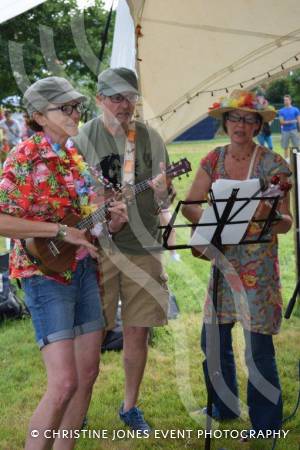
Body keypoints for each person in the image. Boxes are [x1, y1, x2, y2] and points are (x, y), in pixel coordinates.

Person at [0, 76, 127, 450]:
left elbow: (92, 218)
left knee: (87, 374)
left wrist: (113, 218)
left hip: (85, 269)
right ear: (39, 116)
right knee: (64, 383)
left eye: (76, 107)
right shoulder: (22, 158)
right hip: (43, 276)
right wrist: (57, 230)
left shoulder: (75, 157)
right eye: (65, 108)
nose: (75, 113)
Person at [182, 90, 292, 439]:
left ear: (258, 124)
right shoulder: (213, 159)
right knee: (212, 338)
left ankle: (265, 425)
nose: (240, 125)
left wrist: (265, 217)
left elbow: (287, 220)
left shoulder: (274, 165)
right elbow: (189, 206)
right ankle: (223, 405)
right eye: (234, 118)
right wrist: (214, 221)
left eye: (248, 119)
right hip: (223, 260)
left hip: (258, 268)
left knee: (257, 347)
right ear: (224, 122)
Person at [73, 67, 174, 431]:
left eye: (130, 97)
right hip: (97, 248)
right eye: (116, 97)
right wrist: (100, 206)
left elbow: (164, 197)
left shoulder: (148, 137)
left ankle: (130, 406)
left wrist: (163, 191)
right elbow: (72, 196)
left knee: (138, 328)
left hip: (143, 245)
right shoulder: (83, 138)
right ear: (99, 99)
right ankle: (77, 408)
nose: (124, 104)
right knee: (92, 332)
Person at [278, 94, 300, 159]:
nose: (285, 101)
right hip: (285, 131)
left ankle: (296, 160)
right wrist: (291, 121)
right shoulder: (281, 111)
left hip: (294, 130)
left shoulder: (296, 110)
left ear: (290, 101)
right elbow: (281, 122)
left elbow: (298, 121)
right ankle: (286, 161)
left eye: (287, 100)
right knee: (285, 147)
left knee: (296, 146)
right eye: (284, 100)